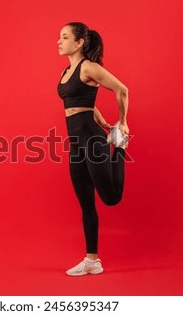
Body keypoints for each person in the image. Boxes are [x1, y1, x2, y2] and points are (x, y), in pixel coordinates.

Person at [56, 22, 130, 276]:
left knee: (110, 198)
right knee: (86, 203)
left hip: (92, 142)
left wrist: (122, 123)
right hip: (76, 144)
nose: (59, 41)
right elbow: (85, 104)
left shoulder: (89, 67)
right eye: (59, 37)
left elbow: (122, 89)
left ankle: (119, 147)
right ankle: (92, 260)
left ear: (79, 43)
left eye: (64, 37)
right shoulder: (66, 72)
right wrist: (104, 122)